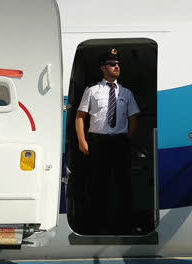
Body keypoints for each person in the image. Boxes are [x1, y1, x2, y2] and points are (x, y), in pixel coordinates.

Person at [75, 48, 140, 235]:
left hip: (119, 143)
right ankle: (96, 225)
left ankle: (126, 225)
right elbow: (80, 116)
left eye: (118, 64)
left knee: (123, 185)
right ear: (103, 68)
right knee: (97, 185)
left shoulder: (126, 93)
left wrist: (129, 137)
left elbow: (134, 116)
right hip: (98, 143)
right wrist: (82, 141)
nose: (117, 66)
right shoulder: (92, 90)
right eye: (112, 64)